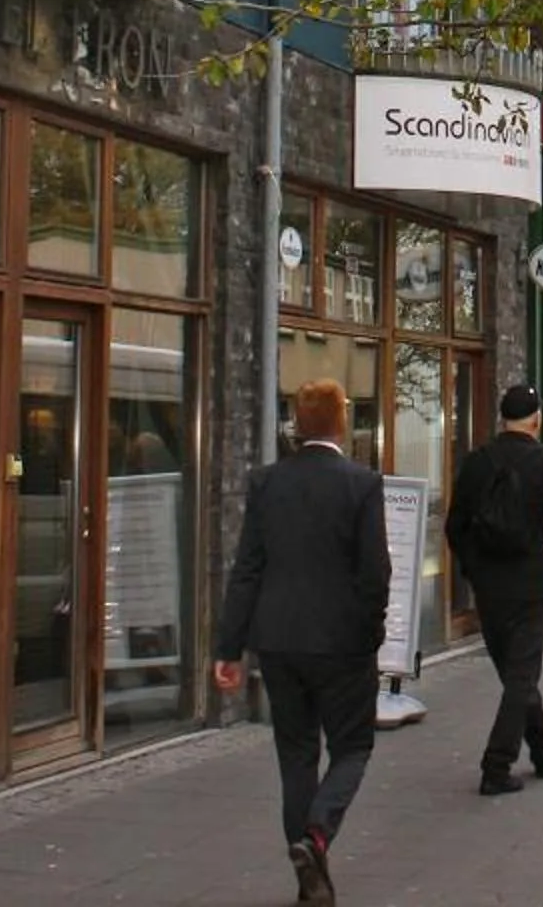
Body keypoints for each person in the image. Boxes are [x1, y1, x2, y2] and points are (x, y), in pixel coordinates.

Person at [216, 380, 390, 907]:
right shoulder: (361, 483)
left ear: (297, 423)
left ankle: (308, 879)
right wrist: (372, 630)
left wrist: (230, 649)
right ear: (341, 422)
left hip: (280, 641)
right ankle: (316, 835)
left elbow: (247, 569)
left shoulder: (268, 482)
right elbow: (375, 573)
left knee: (295, 755)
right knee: (354, 746)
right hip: (342, 644)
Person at [444, 383, 543, 795]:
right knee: (521, 676)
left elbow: (455, 526)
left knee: (515, 676)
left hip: (489, 589)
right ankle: (496, 765)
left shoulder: (477, 462)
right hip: (531, 584)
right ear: (536, 418)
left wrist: (474, 570)